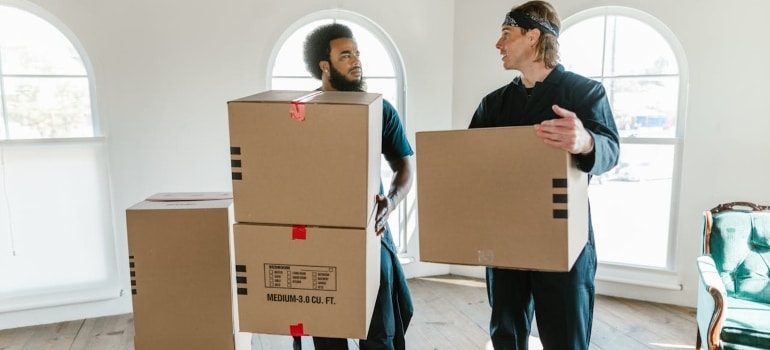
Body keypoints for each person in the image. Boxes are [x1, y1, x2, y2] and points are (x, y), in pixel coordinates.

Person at [468, 1, 620, 349]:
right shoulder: (493, 104)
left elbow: (611, 150)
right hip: (505, 236)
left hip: (564, 234)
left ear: (533, 36)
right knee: (505, 332)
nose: (498, 44)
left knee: (566, 335)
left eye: (506, 34)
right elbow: (470, 163)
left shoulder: (584, 93)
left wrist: (586, 141)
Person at [292, 23, 414, 350]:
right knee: (327, 334)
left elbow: (403, 165)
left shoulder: (379, 109)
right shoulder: (299, 114)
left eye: (357, 53)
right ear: (324, 65)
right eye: (345, 54)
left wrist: (390, 202)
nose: (356, 60)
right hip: (318, 239)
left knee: (379, 333)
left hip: (370, 234)